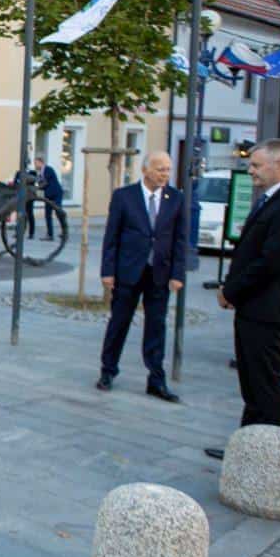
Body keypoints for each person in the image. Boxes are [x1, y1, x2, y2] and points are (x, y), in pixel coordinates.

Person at [206, 140, 280, 459]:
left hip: (270, 311)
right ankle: (246, 450)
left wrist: (231, 291)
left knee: (265, 386)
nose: (250, 170)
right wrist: (231, 288)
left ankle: (268, 457)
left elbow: (270, 261)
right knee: (252, 385)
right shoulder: (270, 201)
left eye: (256, 165)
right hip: (255, 308)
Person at [97, 150, 187, 403]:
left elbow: (180, 240)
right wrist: (108, 271)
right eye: (160, 169)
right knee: (119, 322)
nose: (165, 174)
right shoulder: (124, 196)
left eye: (168, 169)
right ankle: (108, 371)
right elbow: (111, 236)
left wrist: (177, 273)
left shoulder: (176, 199)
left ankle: (156, 380)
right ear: (145, 170)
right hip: (128, 271)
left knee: (156, 326)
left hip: (159, 273)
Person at [24, 155, 64, 240]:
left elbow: (45, 183)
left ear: (40, 162)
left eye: (36, 163)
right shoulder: (40, 172)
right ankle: (50, 235)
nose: (35, 165)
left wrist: (36, 189)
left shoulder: (48, 169)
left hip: (56, 194)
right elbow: (41, 184)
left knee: (59, 212)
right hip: (48, 196)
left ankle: (64, 231)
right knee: (47, 215)